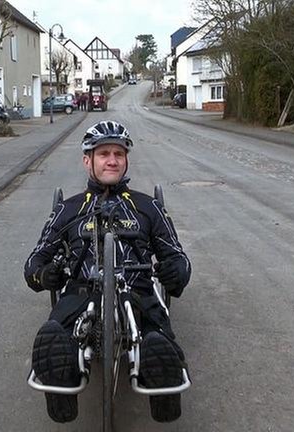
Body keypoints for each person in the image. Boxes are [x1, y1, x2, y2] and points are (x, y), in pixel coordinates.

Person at [24, 120, 192, 423]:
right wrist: (44, 274)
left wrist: (175, 273)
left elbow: (178, 256)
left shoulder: (148, 207)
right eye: (103, 154)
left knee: (157, 332)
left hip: (137, 289)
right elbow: (34, 262)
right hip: (80, 291)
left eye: (118, 153)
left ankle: (163, 380)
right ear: (88, 160)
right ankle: (60, 383)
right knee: (57, 332)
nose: (112, 160)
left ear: (126, 160)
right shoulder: (68, 209)